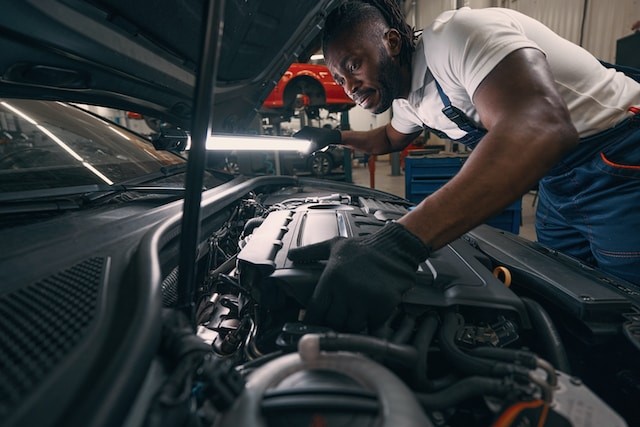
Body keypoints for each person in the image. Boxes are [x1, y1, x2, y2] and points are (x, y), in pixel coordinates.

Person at [291, 0, 640, 332]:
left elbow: (541, 127)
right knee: (571, 303)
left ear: (392, 42)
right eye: (339, 79)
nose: (349, 86)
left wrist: (399, 244)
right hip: (557, 182)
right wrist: (332, 136)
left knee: (630, 309)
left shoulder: (459, 36)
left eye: (353, 66)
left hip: (620, 160)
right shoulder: (409, 99)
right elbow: (388, 139)